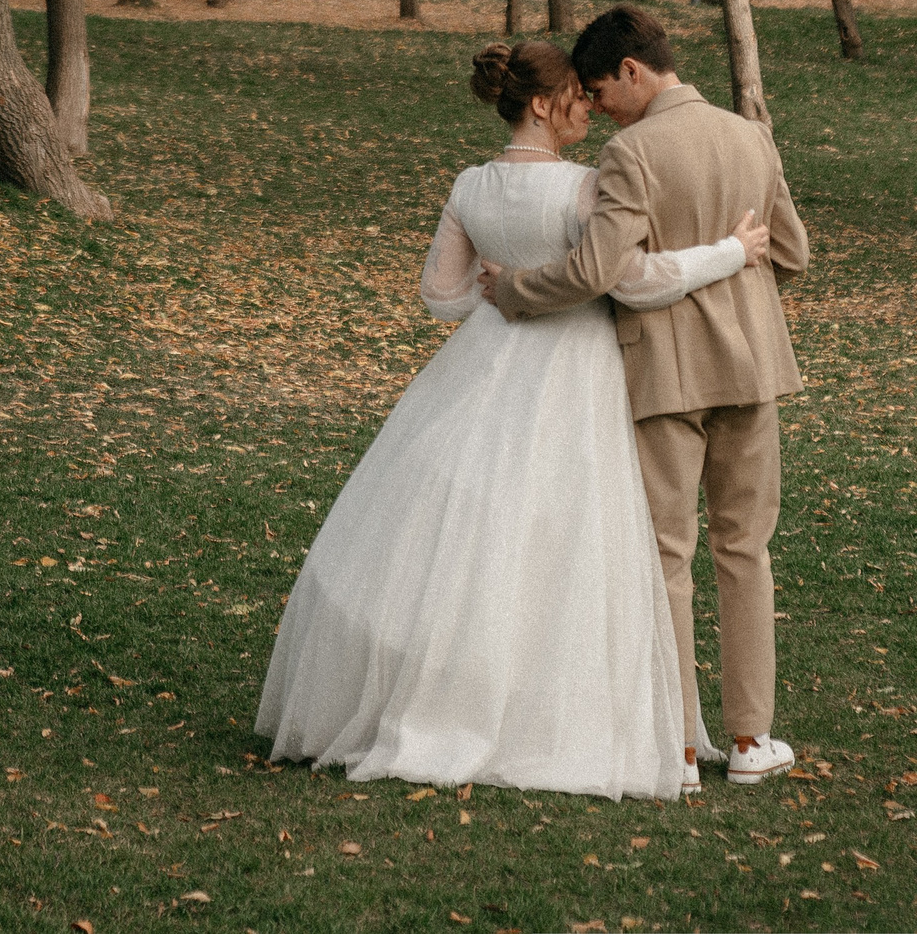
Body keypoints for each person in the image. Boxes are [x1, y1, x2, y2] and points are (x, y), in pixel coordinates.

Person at [257, 39, 768, 800]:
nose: (587, 105)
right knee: (566, 535)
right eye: (575, 94)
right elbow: (630, 281)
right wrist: (727, 252)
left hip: (485, 362)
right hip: (575, 365)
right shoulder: (584, 186)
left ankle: (458, 691)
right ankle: (553, 709)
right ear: (541, 103)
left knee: (476, 533)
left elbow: (440, 293)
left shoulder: (470, 185)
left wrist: (497, 296)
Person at [481, 5, 809, 788]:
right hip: (755, 370)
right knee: (745, 550)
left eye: (599, 90)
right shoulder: (749, 135)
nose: (594, 109)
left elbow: (596, 269)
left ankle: (680, 746)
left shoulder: (632, 154)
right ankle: (753, 738)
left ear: (633, 70)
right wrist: (736, 256)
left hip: (667, 374)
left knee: (669, 556)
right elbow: (791, 254)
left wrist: (515, 289)